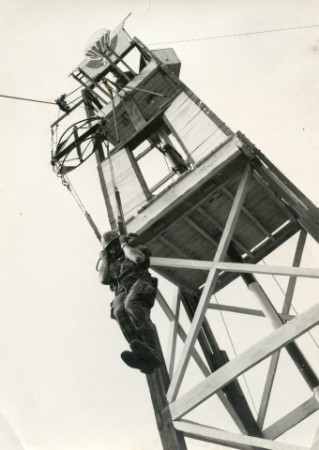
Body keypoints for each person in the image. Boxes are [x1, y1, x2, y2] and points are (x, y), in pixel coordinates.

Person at [97, 230, 163, 374]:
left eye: (115, 245)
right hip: (122, 291)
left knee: (131, 304)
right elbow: (102, 279)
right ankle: (141, 354)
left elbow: (138, 258)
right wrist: (105, 259)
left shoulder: (133, 250)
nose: (114, 249)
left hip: (139, 284)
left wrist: (124, 244)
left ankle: (153, 349)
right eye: (110, 248)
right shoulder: (111, 263)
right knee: (119, 310)